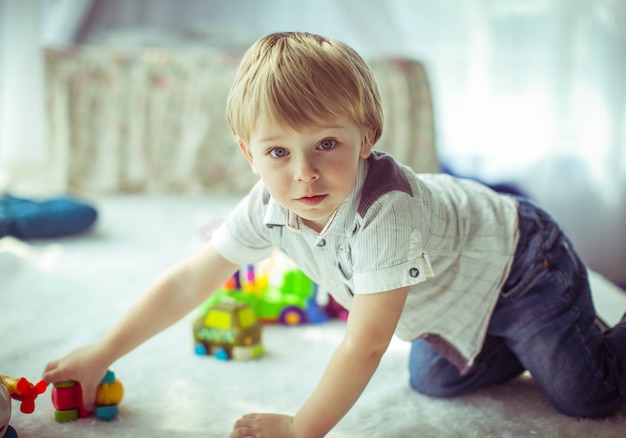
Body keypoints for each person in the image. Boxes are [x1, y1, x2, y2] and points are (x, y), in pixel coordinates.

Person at [42, 31, 626, 438]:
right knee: (436, 382)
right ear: (250, 155)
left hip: (521, 264)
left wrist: (301, 428)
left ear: (366, 136)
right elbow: (188, 283)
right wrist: (100, 354)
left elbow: (366, 344)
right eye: (279, 152)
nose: (304, 173)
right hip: (454, 295)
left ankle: (563, 325)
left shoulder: (385, 212)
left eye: (327, 143)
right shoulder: (269, 202)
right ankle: (532, 337)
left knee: (588, 394)